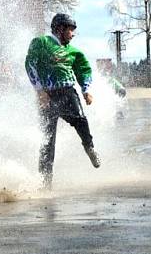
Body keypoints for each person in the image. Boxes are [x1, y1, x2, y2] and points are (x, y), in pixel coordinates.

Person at [25, 13, 100, 189]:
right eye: (70, 30)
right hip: (47, 97)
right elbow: (30, 64)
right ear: (59, 29)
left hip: (67, 94)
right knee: (47, 141)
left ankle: (89, 148)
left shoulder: (73, 51)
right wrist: (39, 91)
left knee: (81, 121)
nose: (72, 34)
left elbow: (84, 70)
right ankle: (45, 183)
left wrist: (86, 90)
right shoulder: (41, 42)